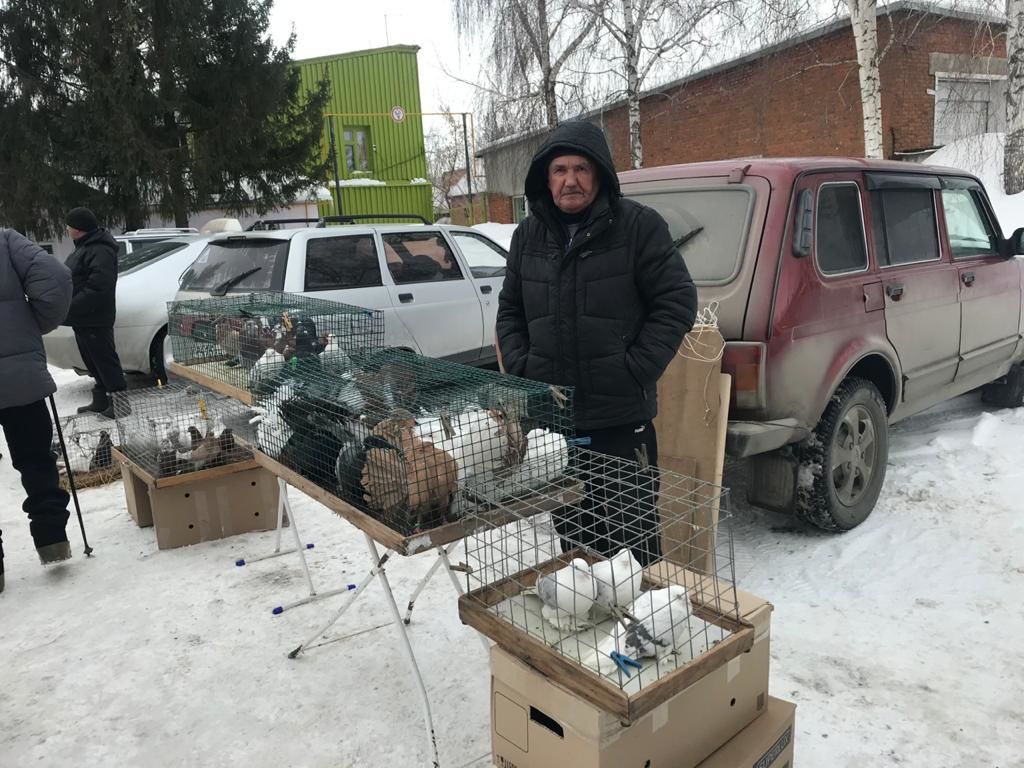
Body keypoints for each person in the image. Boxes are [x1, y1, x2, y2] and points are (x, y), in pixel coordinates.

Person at [495, 121, 697, 566]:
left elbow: (678, 302)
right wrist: (522, 366)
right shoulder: (528, 236)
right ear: (545, 180)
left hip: (621, 424)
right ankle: (591, 624)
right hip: (556, 423)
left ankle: (644, 629)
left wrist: (635, 368)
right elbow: (509, 310)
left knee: (635, 543)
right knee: (577, 541)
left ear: (600, 173)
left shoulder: (639, 227)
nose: (570, 180)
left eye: (582, 169)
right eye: (560, 169)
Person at [0, 228, 76, 592]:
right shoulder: (4, 241)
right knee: (35, 459)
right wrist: (36, 322)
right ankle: (52, 540)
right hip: (21, 376)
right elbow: (56, 277)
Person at [63, 207, 127, 419]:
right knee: (92, 360)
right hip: (82, 317)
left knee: (105, 359)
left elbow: (100, 287)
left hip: (95, 316)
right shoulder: (84, 247)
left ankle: (120, 404)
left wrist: (71, 307)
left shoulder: (100, 249)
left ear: (78, 228)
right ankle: (101, 399)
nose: (67, 229)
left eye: (69, 226)